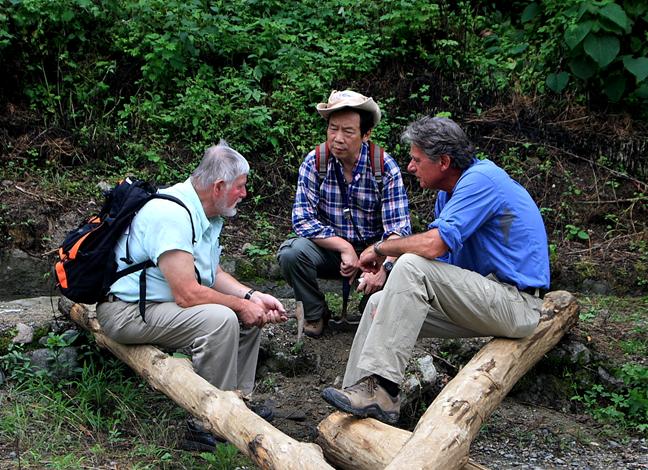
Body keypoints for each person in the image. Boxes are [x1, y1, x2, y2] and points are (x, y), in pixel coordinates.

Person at [321, 116, 550, 424]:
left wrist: (382, 249)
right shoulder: (447, 195)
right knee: (378, 303)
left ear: (443, 161)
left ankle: (385, 390)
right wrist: (388, 267)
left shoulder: (482, 180)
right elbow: (442, 268)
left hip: (516, 304)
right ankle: (356, 398)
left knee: (411, 264)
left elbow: (432, 248)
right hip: (484, 300)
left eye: (417, 160)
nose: (410, 167)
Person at [96, 140, 287, 451]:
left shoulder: (206, 214)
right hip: (125, 311)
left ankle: (238, 402)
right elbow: (187, 294)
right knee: (222, 318)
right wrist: (240, 305)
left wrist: (252, 295)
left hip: (157, 306)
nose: (245, 193)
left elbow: (212, 274)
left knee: (244, 314)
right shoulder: (170, 214)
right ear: (219, 186)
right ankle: (207, 422)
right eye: (240, 186)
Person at [278, 90, 411, 337]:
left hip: (374, 254)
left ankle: (371, 308)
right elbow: (302, 220)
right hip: (331, 252)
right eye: (333, 129)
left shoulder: (383, 166)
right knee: (291, 253)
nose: (337, 138)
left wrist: (383, 266)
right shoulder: (316, 162)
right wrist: (343, 247)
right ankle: (315, 312)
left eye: (348, 131)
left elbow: (399, 230)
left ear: (366, 134)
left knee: (402, 263)